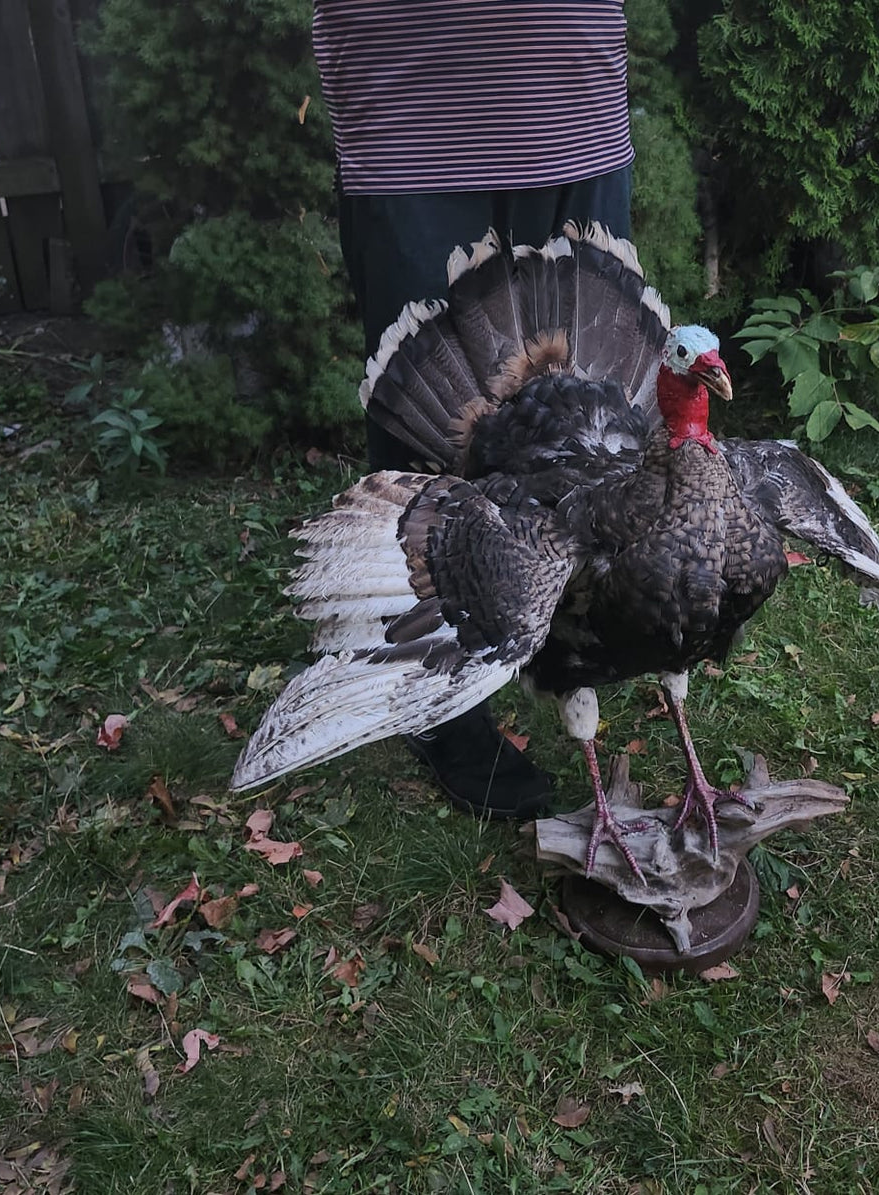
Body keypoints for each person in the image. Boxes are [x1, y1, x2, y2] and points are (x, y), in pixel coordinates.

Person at [312, 0, 634, 820]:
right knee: (429, 413)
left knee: (581, 407)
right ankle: (438, 698)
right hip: (410, 105)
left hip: (571, 95)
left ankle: (558, 646)